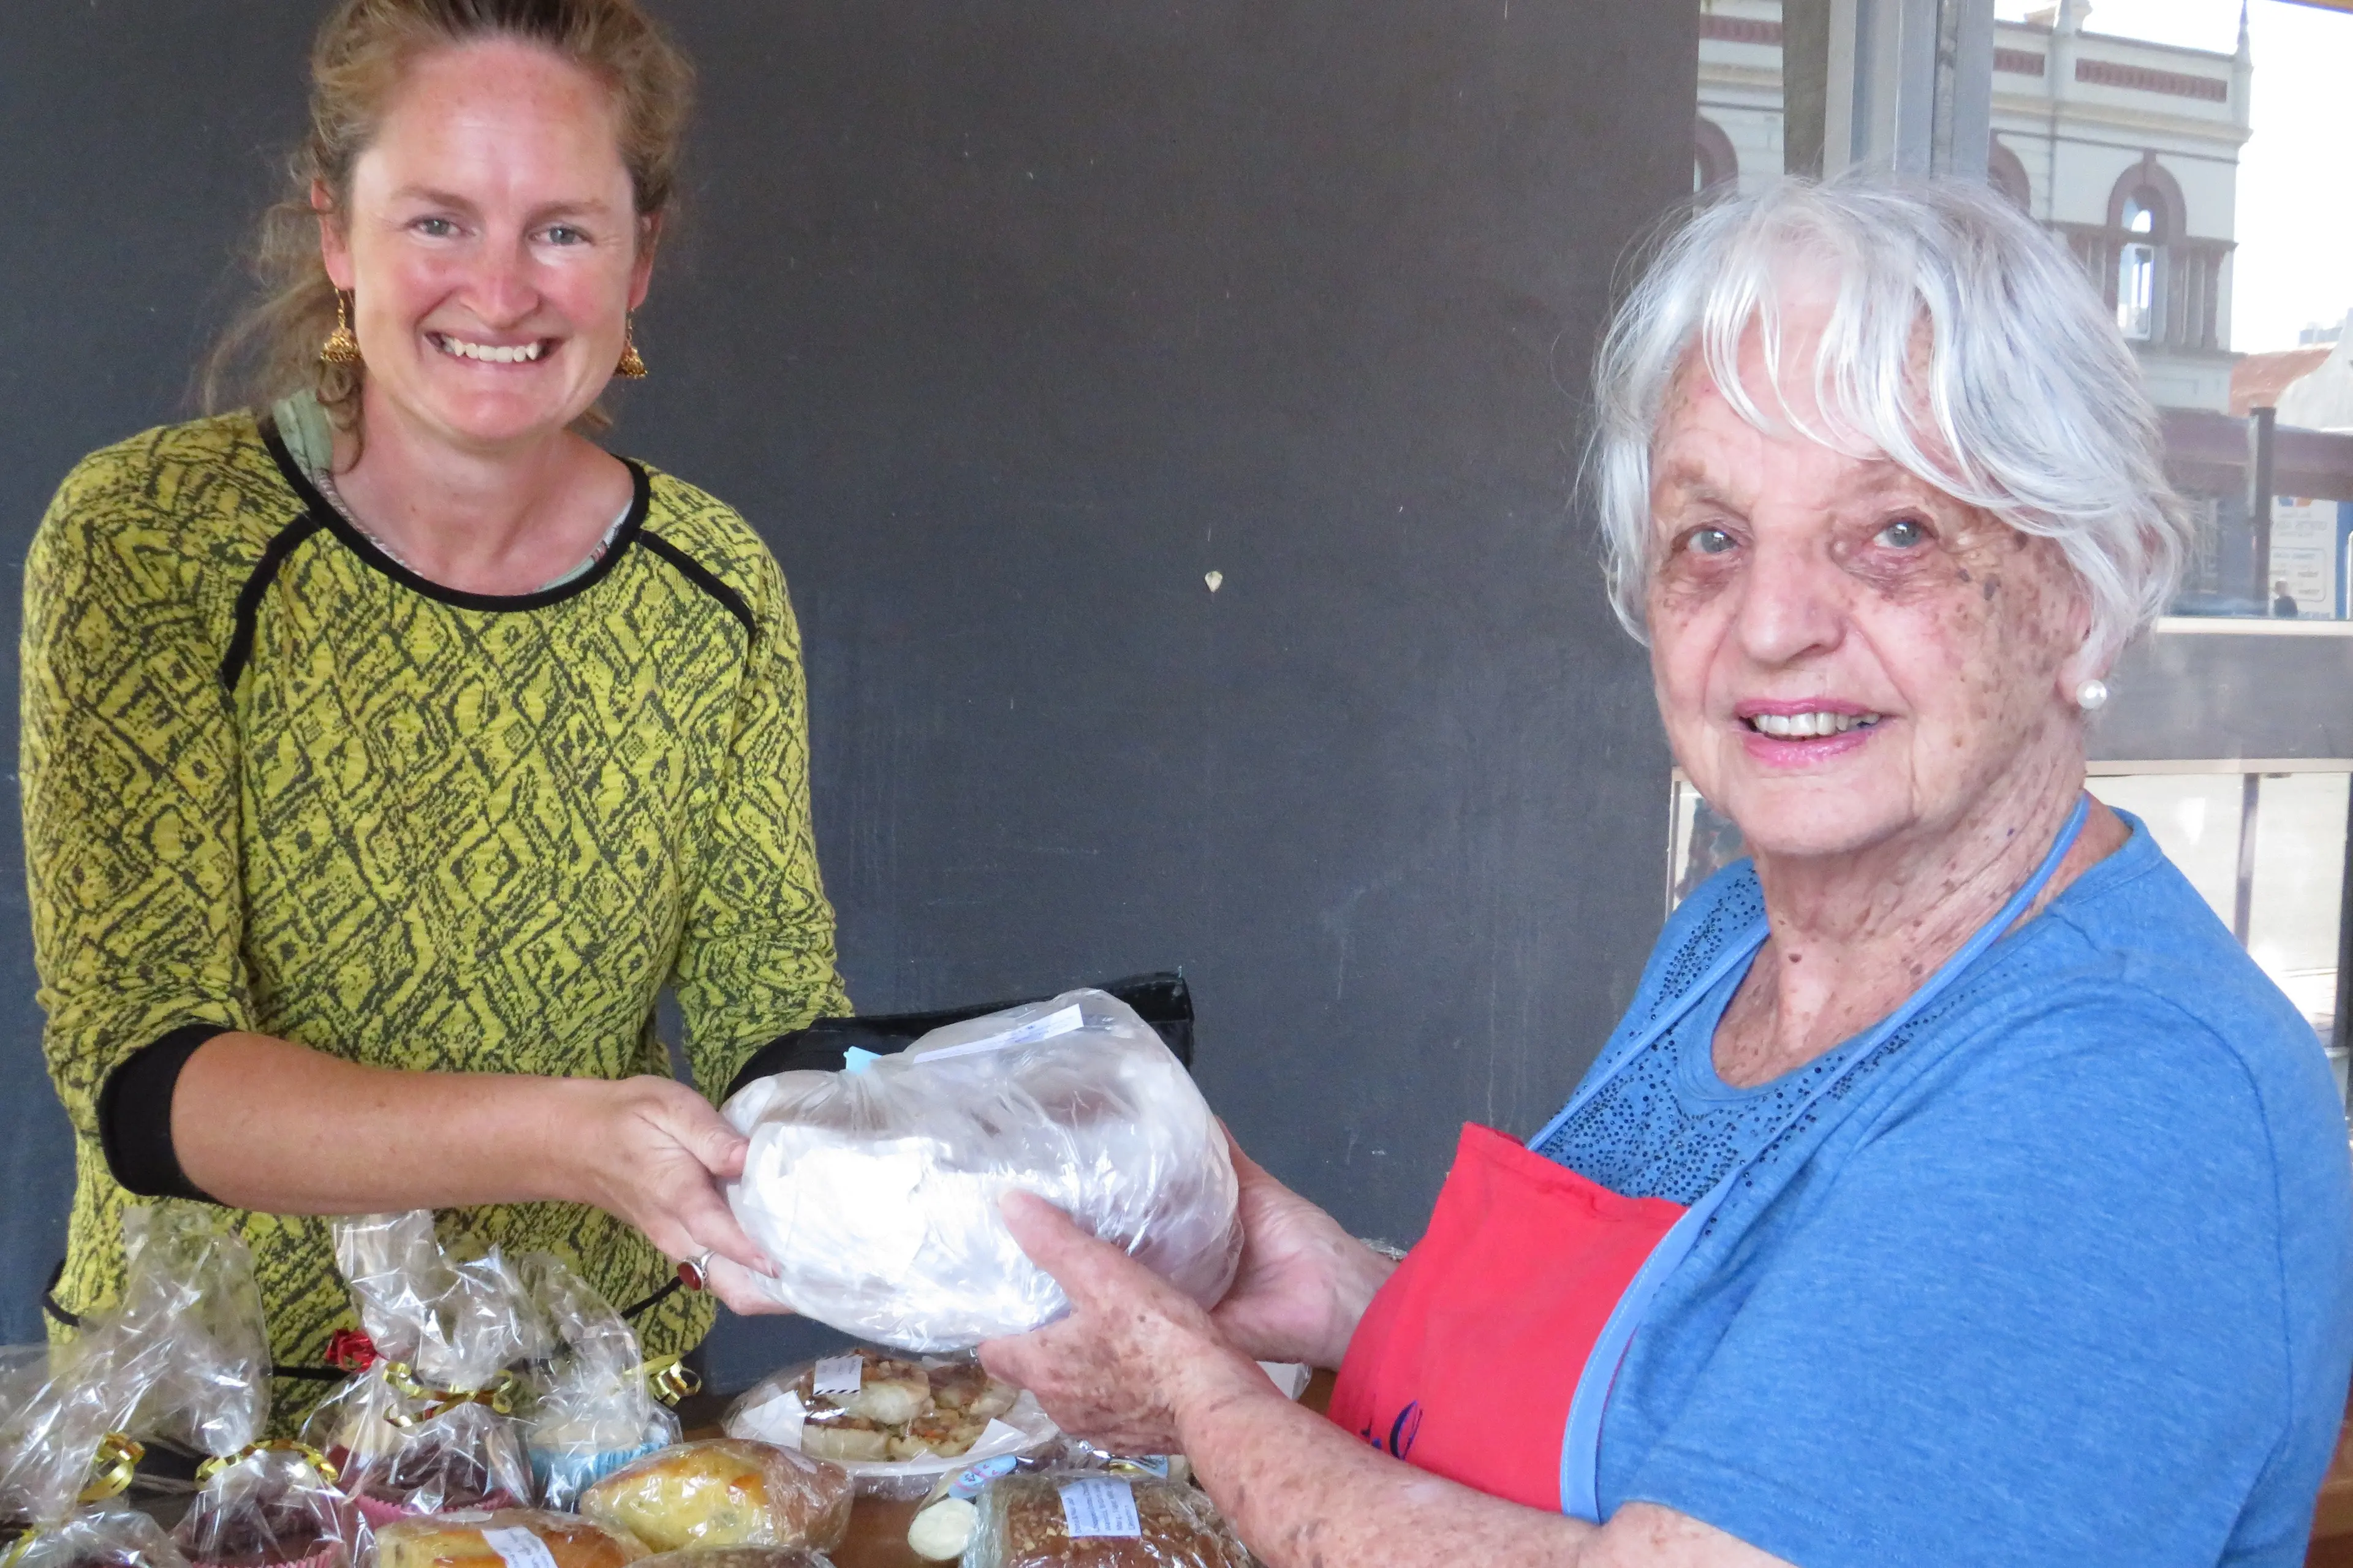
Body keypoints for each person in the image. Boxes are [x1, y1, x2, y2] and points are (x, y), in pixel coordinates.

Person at [979, 175, 2353, 1566]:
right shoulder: (1729, 941)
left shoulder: (2129, 1088)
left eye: (1894, 532)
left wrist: (1199, 1399)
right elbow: (1708, 1396)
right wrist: (1342, 1292)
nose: (1770, 624)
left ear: (2082, 592)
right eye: (1712, 535)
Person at [25, 0, 844, 1420]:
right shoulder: (150, 540)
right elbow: (146, 1083)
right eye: (439, 221)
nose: (503, 290)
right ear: (338, 235)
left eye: (563, 231)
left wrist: (966, 1140)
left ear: (639, 259)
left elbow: (774, 1003)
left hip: (593, 1408)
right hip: (210, 1418)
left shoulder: (713, 586)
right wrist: (572, 1138)